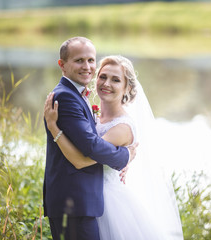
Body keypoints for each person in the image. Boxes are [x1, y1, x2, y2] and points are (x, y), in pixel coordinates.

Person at [44, 55, 184, 239]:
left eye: (115, 80)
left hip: (107, 202)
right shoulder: (92, 113)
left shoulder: (122, 128)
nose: (106, 83)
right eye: (103, 77)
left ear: (128, 88)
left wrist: (53, 127)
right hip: (87, 195)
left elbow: (81, 160)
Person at [43, 37, 138, 240]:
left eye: (91, 60)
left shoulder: (78, 95)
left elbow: (91, 148)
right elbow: (90, 149)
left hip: (87, 201)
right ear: (62, 65)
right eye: (79, 60)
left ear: (126, 87)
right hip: (75, 202)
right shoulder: (67, 97)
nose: (87, 66)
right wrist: (125, 156)